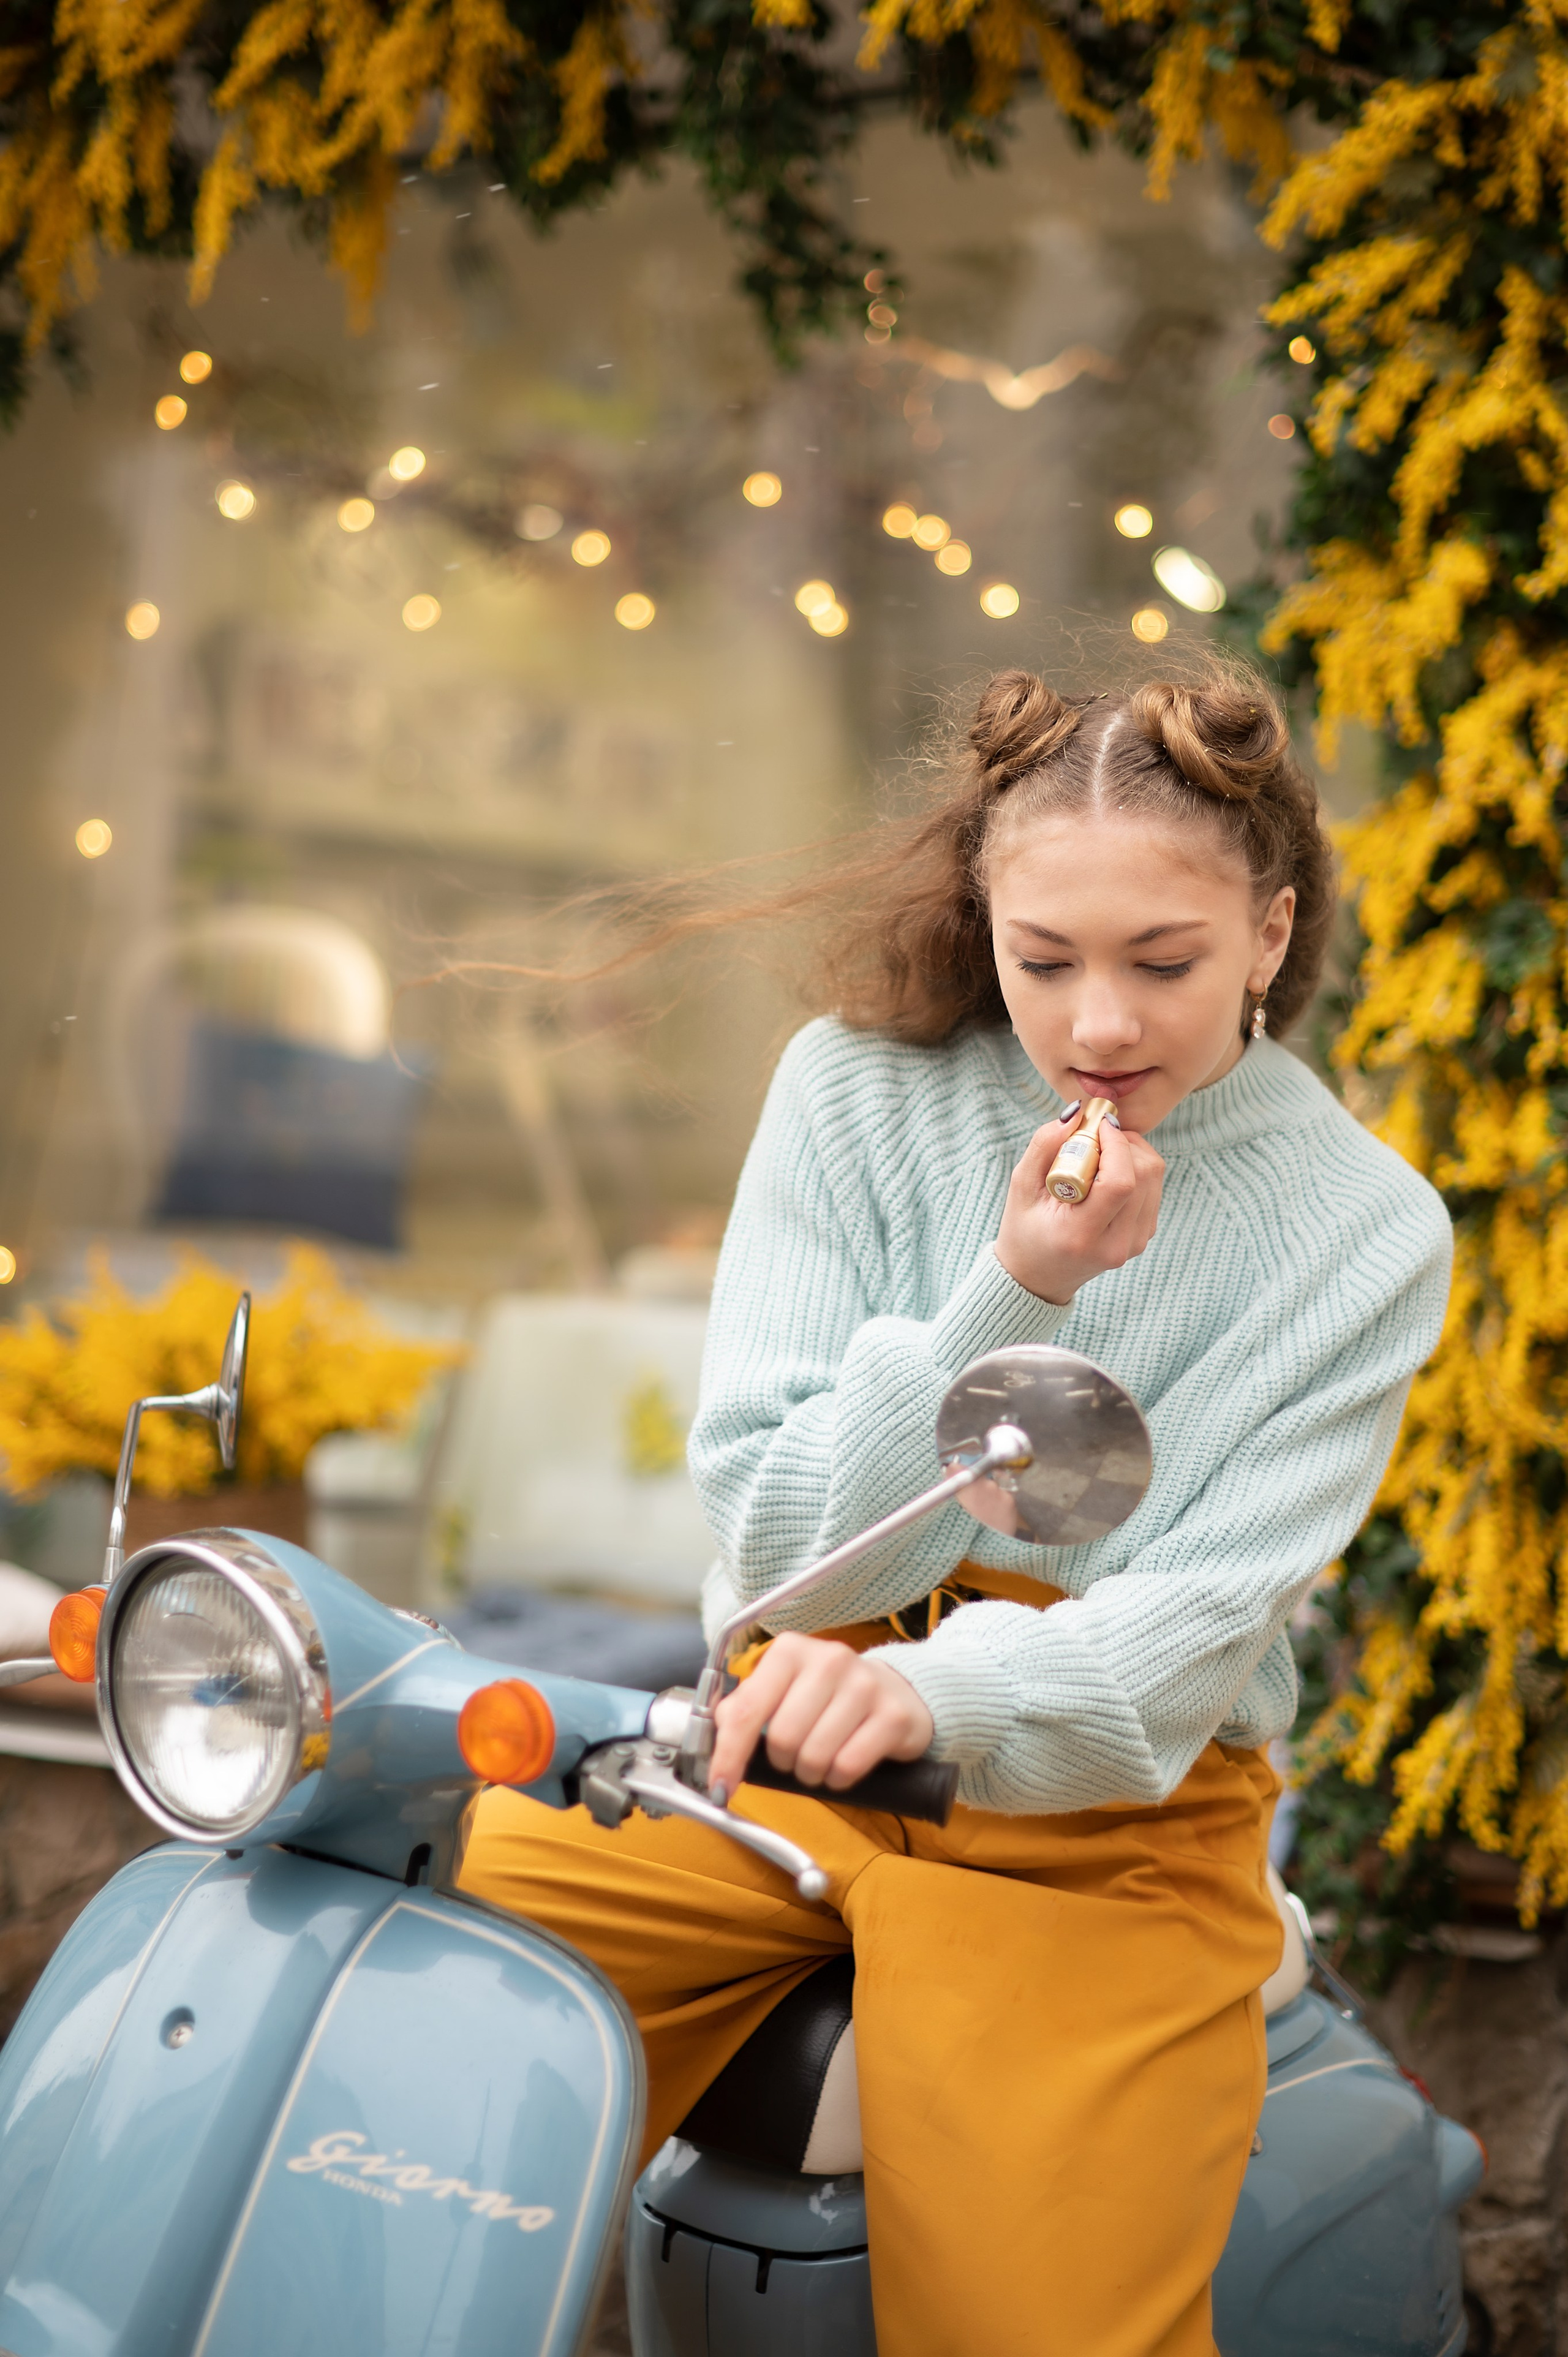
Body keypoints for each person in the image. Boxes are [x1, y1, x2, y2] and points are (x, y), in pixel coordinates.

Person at [459, 664, 1452, 2357]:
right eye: (1042, 959)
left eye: (1166, 962)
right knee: (413, 2057)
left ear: (1272, 935)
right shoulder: (853, 1091)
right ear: (982, 916)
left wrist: (936, 1689)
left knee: (1034, 2321)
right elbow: (780, 1539)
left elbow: (1181, 1643)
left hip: (1104, 1843)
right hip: (770, 1768)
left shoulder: (1365, 1230)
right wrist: (1014, 1288)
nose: (1099, 1026)